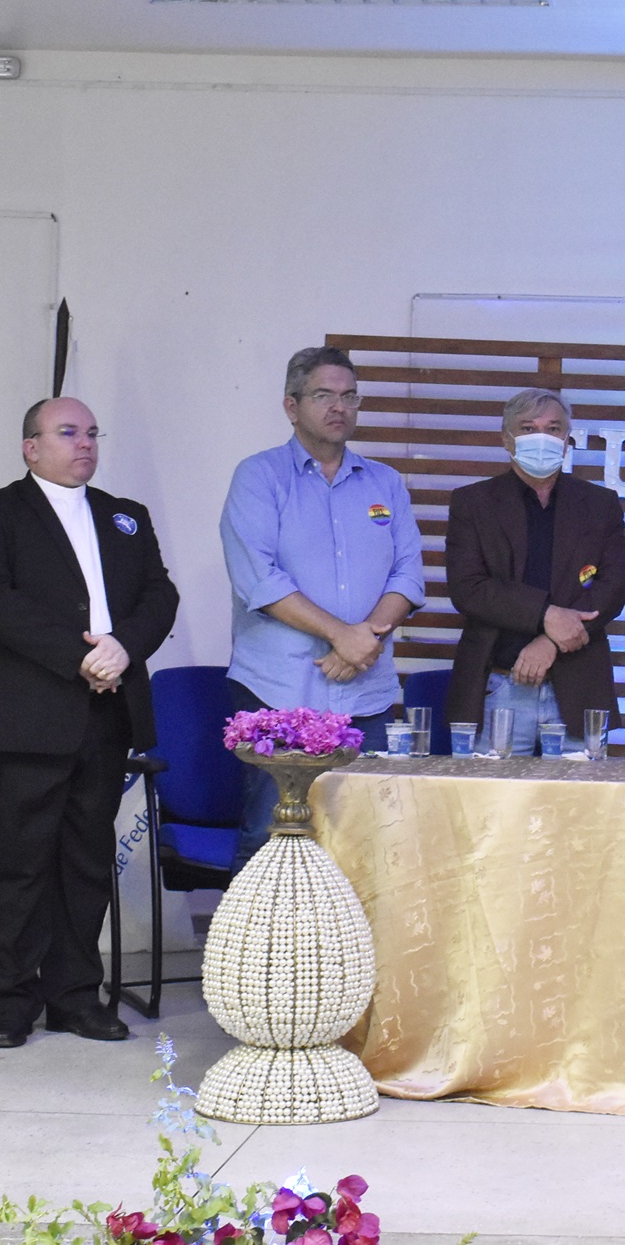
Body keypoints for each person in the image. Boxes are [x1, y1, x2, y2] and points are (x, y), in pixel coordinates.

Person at [0, 396, 179, 1048]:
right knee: (22, 862)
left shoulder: (125, 515)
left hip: (107, 710)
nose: (85, 444)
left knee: (87, 860)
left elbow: (159, 594)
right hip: (27, 713)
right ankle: (12, 1000)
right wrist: (81, 657)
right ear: (31, 446)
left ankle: (76, 996)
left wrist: (122, 649)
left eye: (92, 433)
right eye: (69, 432)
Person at [221, 347, 424, 866]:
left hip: (366, 694)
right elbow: (259, 580)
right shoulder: (259, 476)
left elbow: (408, 575)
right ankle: (257, 928)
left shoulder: (385, 482)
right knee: (270, 841)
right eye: (324, 395)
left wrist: (363, 640)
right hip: (279, 693)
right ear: (291, 406)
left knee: (369, 842)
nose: (339, 407)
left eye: (350, 396)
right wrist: (342, 635)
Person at [444, 389, 625, 748]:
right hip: (497, 685)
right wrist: (546, 615)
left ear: (566, 440)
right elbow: (468, 588)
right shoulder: (472, 503)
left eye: (553, 429)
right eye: (528, 428)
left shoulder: (600, 504)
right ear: (506, 438)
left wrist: (550, 641)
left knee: (583, 787)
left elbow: (611, 588)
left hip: (579, 688)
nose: (542, 438)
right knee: (490, 787)